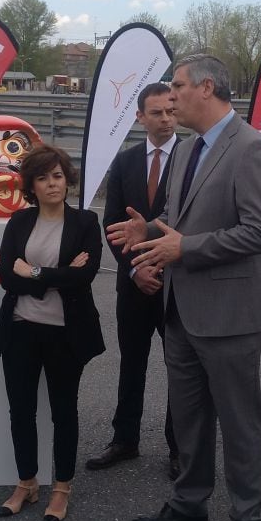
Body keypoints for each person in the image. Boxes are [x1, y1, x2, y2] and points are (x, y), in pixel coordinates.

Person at [107, 54, 261, 521]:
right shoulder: (186, 150)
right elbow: (181, 225)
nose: (172, 95)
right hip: (181, 309)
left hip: (230, 312)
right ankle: (190, 505)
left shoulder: (250, 148)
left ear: (207, 88)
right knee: (189, 418)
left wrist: (185, 248)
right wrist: (150, 234)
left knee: (241, 424)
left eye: (179, 86)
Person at [0, 143, 105, 521]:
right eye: (42, 178)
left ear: (67, 180)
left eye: (57, 176)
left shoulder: (86, 223)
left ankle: (61, 487)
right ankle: (27, 482)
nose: (52, 184)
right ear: (31, 186)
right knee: (20, 410)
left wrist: (35, 273)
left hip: (65, 334)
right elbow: (6, 274)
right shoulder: (19, 223)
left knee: (64, 412)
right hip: (20, 330)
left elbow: (83, 278)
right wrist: (56, 276)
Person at [86, 82, 180, 479]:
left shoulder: (193, 159)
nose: (165, 119)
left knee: (181, 367)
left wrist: (158, 261)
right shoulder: (124, 163)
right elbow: (113, 226)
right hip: (134, 284)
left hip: (177, 284)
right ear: (140, 117)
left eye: (170, 111)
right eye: (156, 112)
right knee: (132, 362)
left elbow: (194, 223)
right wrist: (134, 269)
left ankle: (180, 448)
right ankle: (124, 439)